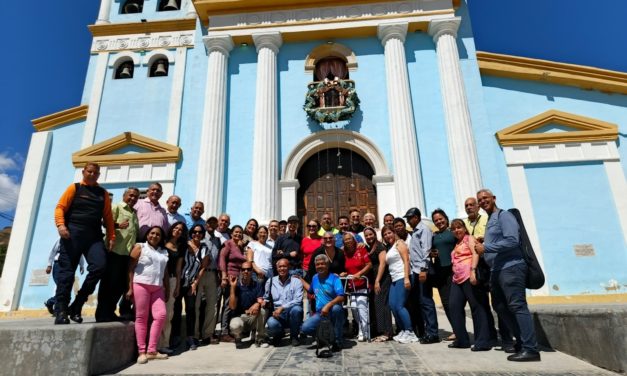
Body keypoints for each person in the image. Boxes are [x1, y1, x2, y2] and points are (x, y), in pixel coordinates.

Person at [474, 189, 540, 362]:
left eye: (485, 198)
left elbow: (512, 240)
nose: (482, 201)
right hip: (497, 270)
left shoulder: (504, 215)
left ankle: (530, 348)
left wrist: (486, 248)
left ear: (494, 198)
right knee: (499, 306)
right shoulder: (490, 220)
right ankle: (521, 341)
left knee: (517, 305)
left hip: (511, 267)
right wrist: (486, 242)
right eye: (479, 200)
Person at [53, 162, 115, 325]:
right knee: (67, 272)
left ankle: (77, 304)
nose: (93, 174)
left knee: (100, 266)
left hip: (93, 237)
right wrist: (61, 225)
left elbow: (108, 218)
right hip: (72, 234)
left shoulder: (103, 193)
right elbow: (60, 207)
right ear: (84, 172)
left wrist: (111, 237)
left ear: (99, 175)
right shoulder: (74, 188)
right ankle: (61, 309)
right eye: (90, 171)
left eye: (96, 173)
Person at [464, 196, 508, 346]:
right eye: (466, 206)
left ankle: (506, 336)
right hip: (475, 265)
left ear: (478, 207)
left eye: (472, 205)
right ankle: (489, 335)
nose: (469, 207)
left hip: (489, 262)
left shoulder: (486, 220)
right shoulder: (465, 223)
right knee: (481, 303)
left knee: (498, 301)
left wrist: (484, 240)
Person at [126, 226, 170, 364]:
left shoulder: (164, 252)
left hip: (157, 288)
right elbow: (130, 268)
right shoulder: (140, 247)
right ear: (147, 235)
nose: (155, 236)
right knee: (142, 318)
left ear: (161, 238)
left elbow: (166, 274)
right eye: (152, 233)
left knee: (161, 315)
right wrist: (129, 288)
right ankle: (142, 351)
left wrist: (167, 289)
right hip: (141, 284)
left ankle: (152, 350)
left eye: (158, 234)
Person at [96, 187, 140, 323]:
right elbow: (104, 222)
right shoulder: (116, 207)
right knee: (108, 283)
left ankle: (110, 311)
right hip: (113, 251)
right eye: (131, 195)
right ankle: (102, 313)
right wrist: (117, 225)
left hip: (126, 254)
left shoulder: (134, 213)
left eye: (136, 197)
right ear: (124, 195)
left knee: (120, 284)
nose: (133, 198)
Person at [447, 219, 492, 351]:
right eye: (454, 229)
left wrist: (473, 271)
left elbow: (475, 253)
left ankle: (482, 341)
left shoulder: (469, 239)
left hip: (469, 276)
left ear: (464, 228)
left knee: (477, 307)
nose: (456, 230)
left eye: (459, 227)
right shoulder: (456, 243)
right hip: (457, 279)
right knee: (454, 307)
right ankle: (462, 340)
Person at [403, 207, 440, 344]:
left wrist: (424, 269)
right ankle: (428, 331)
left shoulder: (423, 230)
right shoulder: (415, 231)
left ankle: (433, 333)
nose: (408, 220)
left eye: (409, 218)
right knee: (422, 302)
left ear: (416, 217)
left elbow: (426, 250)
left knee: (426, 302)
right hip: (416, 270)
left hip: (422, 270)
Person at [299, 254, 346, 352]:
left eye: (322, 264)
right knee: (305, 328)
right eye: (317, 264)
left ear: (327, 265)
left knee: (337, 309)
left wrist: (328, 306)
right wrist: (301, 280)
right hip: (320, 313)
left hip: (332, 312)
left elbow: (341, 296)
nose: (320, 266)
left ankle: (337, 341)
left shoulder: (334, 278)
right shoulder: (315, 277)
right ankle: (323, 338)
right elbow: (311, 290)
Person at [175, 224, 210, 351]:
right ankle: (176, 337)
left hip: (191, 283)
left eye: (200, 232)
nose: (197, 234)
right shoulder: (185, 246)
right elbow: (179, 267)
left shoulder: (205, 248)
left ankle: (190, 337)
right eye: (195, 232)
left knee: (191, 310)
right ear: (191, 233)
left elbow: (203, 268)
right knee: (176, 309)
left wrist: (195, 284)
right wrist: (178, 285)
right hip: (180, 280)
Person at [382, 225, 418, 344]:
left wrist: (407, 277)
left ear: (394, 233)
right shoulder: (391, 247)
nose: (388, 236)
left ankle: (410, 332)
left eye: (389, 233)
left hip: (403, 277)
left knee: (400, 306)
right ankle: (403, 330)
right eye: (385, 234)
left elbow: (406, 260)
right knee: (392, 305)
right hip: (395, 279)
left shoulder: (400, 244)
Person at [160, 221, 188, 354]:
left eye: (180, 230)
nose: (177, 230)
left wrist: (177, 286)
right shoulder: (161, 242)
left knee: (168, 313)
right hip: (156, 279)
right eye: (176, 228)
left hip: (171, 280)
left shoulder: (180, 248)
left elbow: (178, 269)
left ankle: (164, 343)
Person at [264, 259, 304, 347]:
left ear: (289, 267)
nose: (282, 269)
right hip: (277, 314)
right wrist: (262, 301)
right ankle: (278, 335)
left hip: (291, 313)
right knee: (271, 322)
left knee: (297, 310)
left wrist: (282, 307)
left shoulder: (296, 281)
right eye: (280, 267)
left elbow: (298, 300)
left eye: (284, 266)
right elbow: (266, 298)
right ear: (277, 268)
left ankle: (294, 336)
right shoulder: (270, 281)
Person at [228, 261, 268, 349]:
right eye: (243, 269)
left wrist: (257, 304)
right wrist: (232, 288)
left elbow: (261, 300)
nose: (246, 271)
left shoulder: (257, 285)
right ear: (240, 271)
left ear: (252, 271)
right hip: (239, 317)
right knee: (235, 325)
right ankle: (238, 338)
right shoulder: (236, 285)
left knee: (262, 311)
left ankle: (259, 338)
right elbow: (232, 306)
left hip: (251, 316)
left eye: (249, 269)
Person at [340, 232, 372, 341]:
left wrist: (360, 274)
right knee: (354, 308)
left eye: (349, 239)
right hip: (351, 286)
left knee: (362, 307)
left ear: (354, 240)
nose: (348, 241)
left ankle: (365, 331)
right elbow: (343, 267)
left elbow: (369, 264)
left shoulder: (361, 249)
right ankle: (361, 329)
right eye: (345, 240)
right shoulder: (343, 252)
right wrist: (343, 273)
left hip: (362, 283)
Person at [219, 225, 248, 341]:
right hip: (230, 277)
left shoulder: (239, 246)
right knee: (227, 304)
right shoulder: (228, 244)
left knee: (234, 304)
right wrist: (224, 276)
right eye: (236, 232)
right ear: (231, 233)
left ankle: (232, 330)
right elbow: (222, 258)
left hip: (239, 278)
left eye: (240, 232)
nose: (238, 234)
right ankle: (224, 331)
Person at [363, 227, 393, 343]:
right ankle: (379, 330)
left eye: (371, 234)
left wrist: (377, 281)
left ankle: (387, 332)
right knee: (377, 304)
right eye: (366, 235)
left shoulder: (380, 246)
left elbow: (382, 264)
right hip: (374, 279)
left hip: (382, 279)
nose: (369, 237)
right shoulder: (368, 247)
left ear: (375, 234)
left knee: (382, 304)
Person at [430, 208, 455, 339]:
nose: (439, 222)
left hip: (453, 270)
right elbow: (430, 250)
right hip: (440, 271)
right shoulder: (434, 236)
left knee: (455, 302)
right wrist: (431, 253)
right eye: (436, 220)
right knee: (446, 303)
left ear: (446, 218)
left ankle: (459, 329)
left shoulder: (453, 232)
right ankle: (455, 329)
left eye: (440, 219)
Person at [44, 240, 85, 315]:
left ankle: (51, 303)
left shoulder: (77, 238)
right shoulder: (60, 239)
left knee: (66, 288)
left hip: (71, 266)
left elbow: (80, 253)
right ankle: (58, 310)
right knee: (62, 287)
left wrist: (82, 265)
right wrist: (49, 265)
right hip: (59, 265)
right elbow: (53, 251)